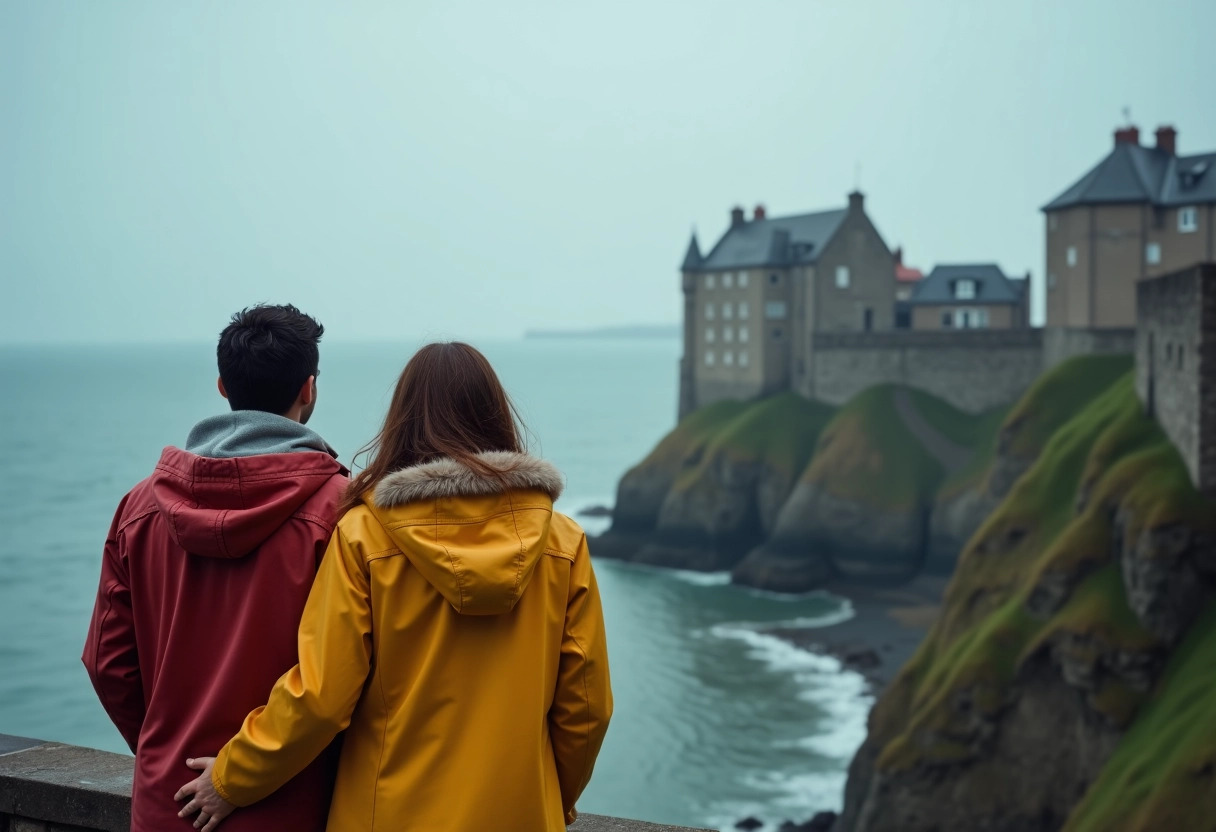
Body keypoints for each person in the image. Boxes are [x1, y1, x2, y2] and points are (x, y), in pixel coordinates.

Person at [174, 341, 613, 832]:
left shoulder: (365, 535)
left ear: (403, 420)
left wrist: (233, 777)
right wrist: (553, 800)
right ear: (496, 417)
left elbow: (322, 696)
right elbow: (587, 710)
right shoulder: (563, 542)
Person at [83, 304, 347, 832]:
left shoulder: (140, 508)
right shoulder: (340, 513)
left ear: (223, 386)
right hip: (294, 805)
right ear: (309, 389)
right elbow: (343, 680)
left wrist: (166, 753)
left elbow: (108, 662)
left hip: (169, 804)